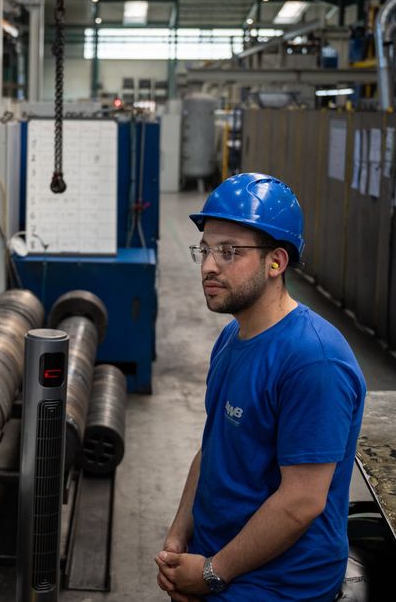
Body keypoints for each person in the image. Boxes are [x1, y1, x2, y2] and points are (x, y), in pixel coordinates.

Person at [155, 173, 366, 601]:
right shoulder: (233, 336)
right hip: (219, 560)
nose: (209, 265)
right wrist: (179, 537)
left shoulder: (313, 362)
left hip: (278, 583)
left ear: (277, 263)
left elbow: (301, 502)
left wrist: (213, 573)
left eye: (229, 251)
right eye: (206, 249)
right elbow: (214, 445)